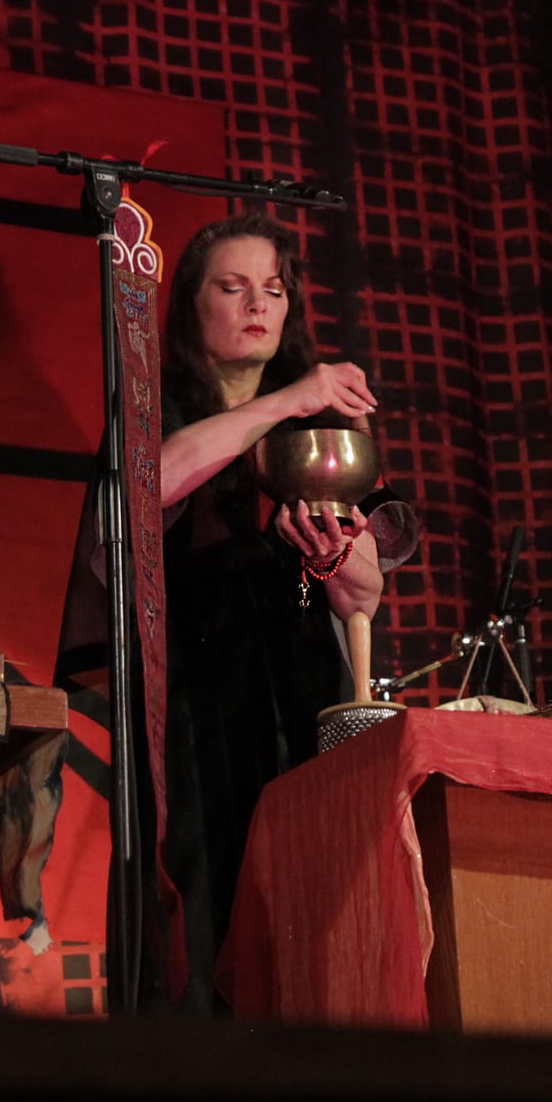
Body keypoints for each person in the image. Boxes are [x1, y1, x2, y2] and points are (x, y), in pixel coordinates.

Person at [152, 211, 395, 1010]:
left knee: (310, 929)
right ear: (193, 304)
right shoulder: (163, 409)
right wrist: (289, 396)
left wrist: (335, 557)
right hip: (199, 713)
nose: (258, 303)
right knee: (212, 924)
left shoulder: (324, 434)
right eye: (233, 286)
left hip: (301, 699)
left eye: (274, 288)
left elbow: (365, 591)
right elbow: (146, 488)